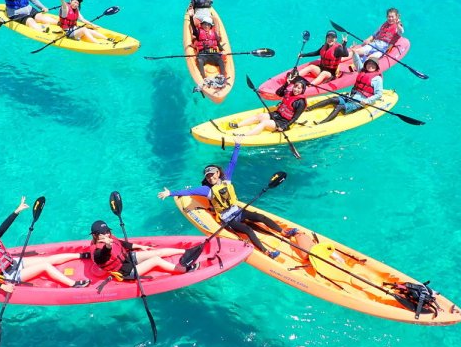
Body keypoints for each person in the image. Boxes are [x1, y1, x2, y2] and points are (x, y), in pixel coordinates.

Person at [157, 143, 297, 259]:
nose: (211, 178)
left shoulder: (226, 179)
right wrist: (170, 193)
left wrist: (237, 145)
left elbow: (233, 162)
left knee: (260, 217)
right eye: (208, 176)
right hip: (227, 218)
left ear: (218, 173)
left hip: (238, 211)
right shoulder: (207, 190)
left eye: (212, 174)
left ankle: (283, 232)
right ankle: (266, 252)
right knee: (247, 229)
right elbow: (188, 192)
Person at [0, 196, 90, 292]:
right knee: (45, 267)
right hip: (8, 275)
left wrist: (17, 211)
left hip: (13, 262)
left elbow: (3, 228)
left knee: (47, 260)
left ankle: (81, 255)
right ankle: (73, 284)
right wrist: (3, 287)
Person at [89, 220, 197, 277]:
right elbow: (102, 257)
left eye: (107, 231)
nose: (107, 235)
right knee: (156, 260)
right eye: (102, 233)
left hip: (128, 258)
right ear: (94, 235)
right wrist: (108, 246)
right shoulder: (97, 252)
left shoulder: (110, 237)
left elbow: (123, 244)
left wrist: (141, 246)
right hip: (125, 271)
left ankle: (186, 251)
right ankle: (185, 269)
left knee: (157, 253)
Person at [308, 53, 383, 124]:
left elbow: (379, 94)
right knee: (332, 99)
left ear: (376, 67)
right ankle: (309, 108)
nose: (370, 66)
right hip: (351, 96)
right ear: (366, 64)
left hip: (359, 101)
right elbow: (357, 63)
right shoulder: (362, 71)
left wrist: (367, 101)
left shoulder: (377, 79)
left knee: (339, 107)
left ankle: (322, 123)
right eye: (369, 63)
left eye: (373, 64)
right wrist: (354, 53)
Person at [228, 77, 308, 136]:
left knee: (264, 123)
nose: (296, 89)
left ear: (302, 90)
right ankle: (237, 125)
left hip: (284, 122)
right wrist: (286, 83)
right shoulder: (289, 93)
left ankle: (244, 135)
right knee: (260, 116)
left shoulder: (301, 102)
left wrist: (284, 126)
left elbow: (295, 118)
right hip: (277, 114)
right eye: (295, 87)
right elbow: (278, 93)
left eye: (299, 88)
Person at [190, 14, 227, 81]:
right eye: (205, 24)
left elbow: (218, 43)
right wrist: (191, 16)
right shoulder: (198, 32)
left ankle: (222, 77)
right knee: (199, 60)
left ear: (210, 26)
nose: (206, 26)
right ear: (202, 25)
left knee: (220, 60)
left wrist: (222, 50)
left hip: (213, 53)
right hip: (203, 54)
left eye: (208, 25)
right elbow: (193, 27)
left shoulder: (214, 33)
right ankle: (204, 78)